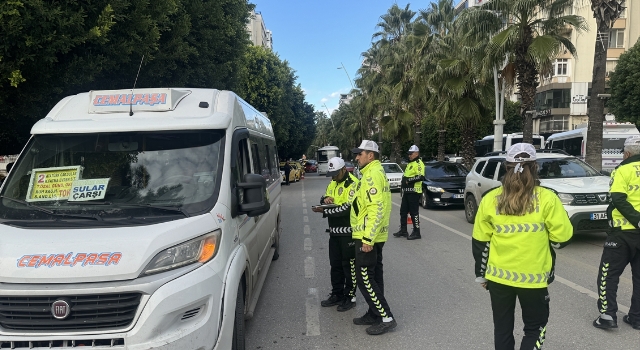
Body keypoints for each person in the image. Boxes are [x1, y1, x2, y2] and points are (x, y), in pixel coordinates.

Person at [472, 143, 573, 350]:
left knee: (502, 329)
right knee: (535, 329)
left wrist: (482, 274)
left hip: (498, 278)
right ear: (535, 167)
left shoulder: (490, 198)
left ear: (506, 167)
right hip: (534, 279)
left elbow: (480, 242)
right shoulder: (547, 198)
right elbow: (562, 238)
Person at [593, 135, 640, 330]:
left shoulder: (623, 169)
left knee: (608, 275)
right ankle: (636, 318)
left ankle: (607, 315)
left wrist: (637, 219)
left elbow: (618, 199)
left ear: (627, 153)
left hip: (622, 233)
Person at [350, 140, 396, 335]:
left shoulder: (371, 176)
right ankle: (374, 313)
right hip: (374, 234)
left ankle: (386, 317)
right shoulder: (374, 172)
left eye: (360, 154)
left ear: (371, 155)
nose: (356, 157)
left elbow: (377, 208)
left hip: (368, 236)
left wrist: (368, 239)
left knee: (365, 278)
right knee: (375, 275)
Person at [312, 157, 359, 312]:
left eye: (335, 173)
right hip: (334, 232)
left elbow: (347, 208)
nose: (333, 176)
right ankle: (337, 294)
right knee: (335, 265)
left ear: (344, 169)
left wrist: (325, 210)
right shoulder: (333, 182)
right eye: (331, 173)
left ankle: (350, 297)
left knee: (349, 266)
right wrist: (324, 199)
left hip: (348, 233)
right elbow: (324, 198)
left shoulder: (352, 183)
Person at [393, 145, 425, 240]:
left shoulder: (419, 163)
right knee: (403, 211)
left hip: (414, 192)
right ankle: (403, 230)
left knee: (414, 213)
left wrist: (409, 181)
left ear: (416, 153)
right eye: (409, 154)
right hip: (407, 192)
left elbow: (421, 177)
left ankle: (416, 232)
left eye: (411, 154)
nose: (409, 156)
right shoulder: (410, 164)